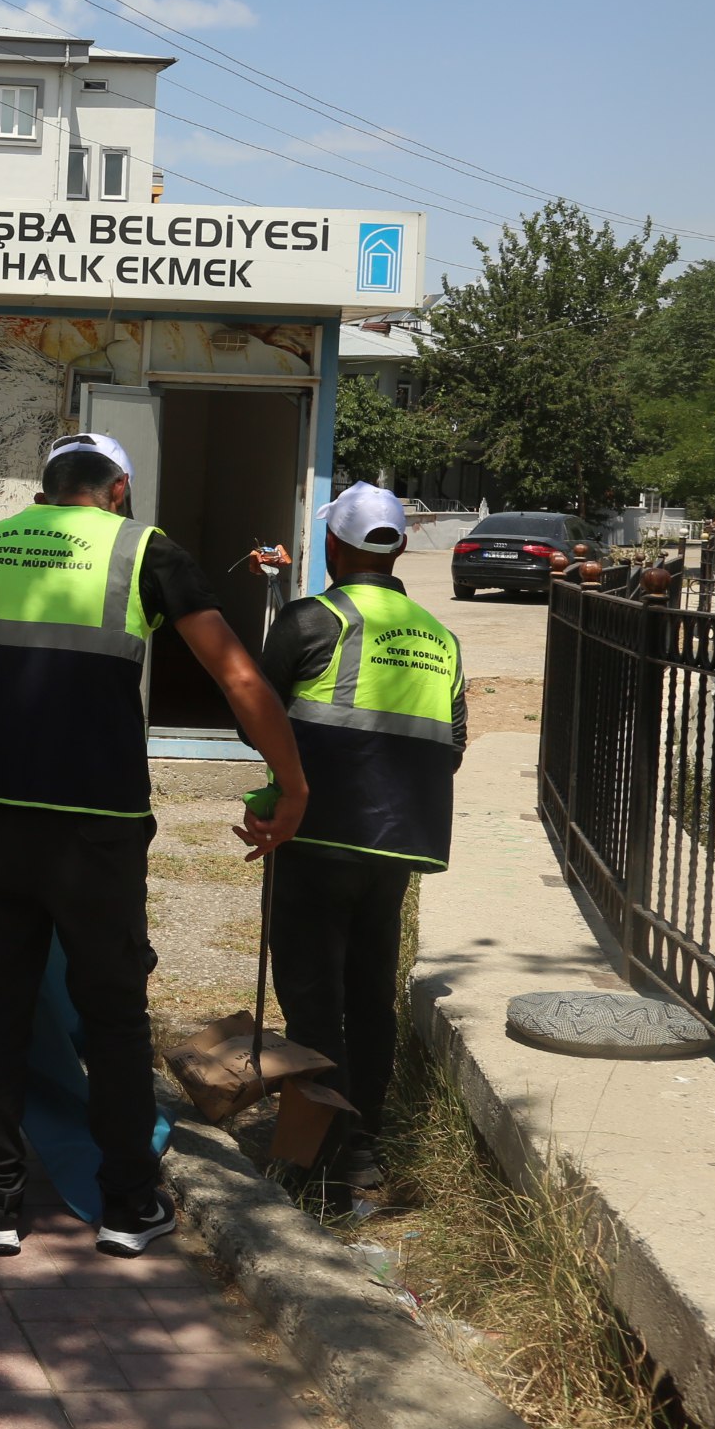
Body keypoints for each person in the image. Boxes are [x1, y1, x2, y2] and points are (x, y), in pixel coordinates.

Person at [0, 431, 308, 1260]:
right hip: (98, 829)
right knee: (113, 1010)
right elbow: (237, 676)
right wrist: (291, 782)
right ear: (118, 488)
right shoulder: (144, 550)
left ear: (46, 486)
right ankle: (128, 1204)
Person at [259, 482, 465, 1189]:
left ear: (333, 548)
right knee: (368, 995)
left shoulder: (309, 619)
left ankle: (317, 1159)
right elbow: (453, 741)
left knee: (313, 999)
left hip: (315, 837)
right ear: (402, 546)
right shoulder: (441, 637)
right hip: (397, 845)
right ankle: (366, 1147)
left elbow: (256, 714)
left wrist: (282, 787)